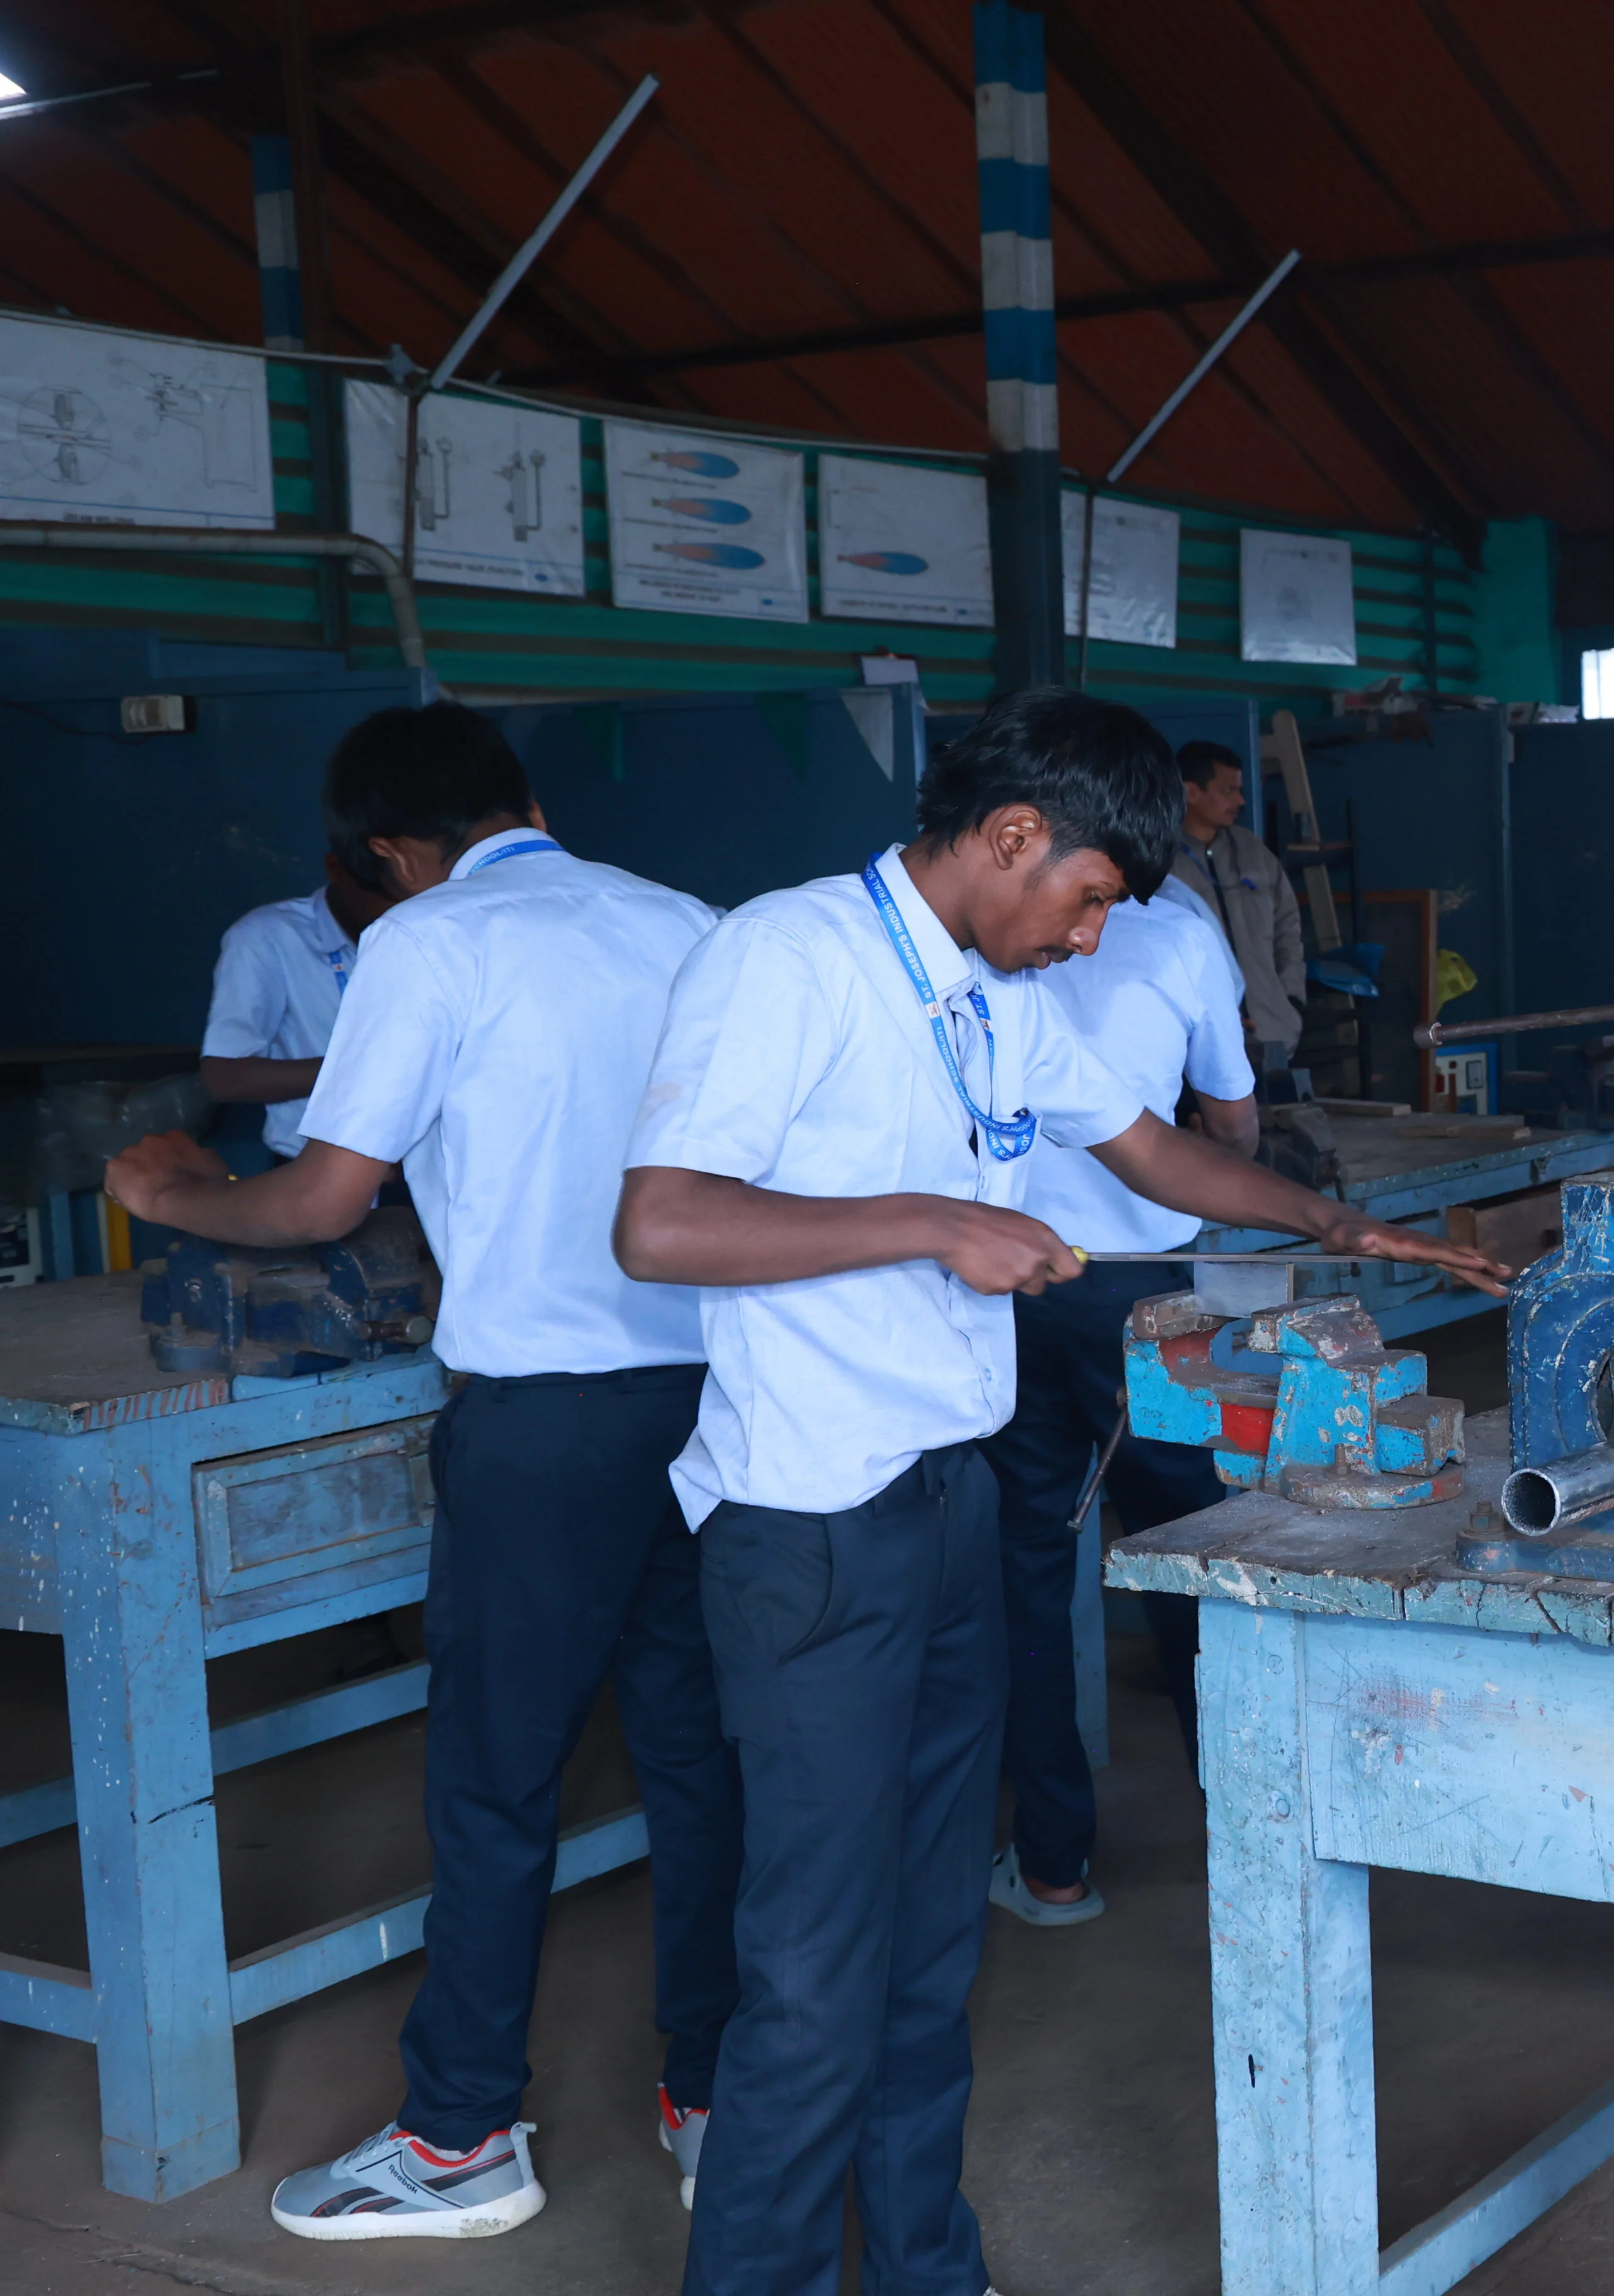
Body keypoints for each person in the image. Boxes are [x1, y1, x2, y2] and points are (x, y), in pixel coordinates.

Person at [609, 688, 1504, 2296]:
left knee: (929, 1951)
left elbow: (1151, 1154)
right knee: (813, 1969)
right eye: (1090, 897)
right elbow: (662, 1225)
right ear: (1014, 836)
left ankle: (926, 2270)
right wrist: (932, 1224)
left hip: (945, 1501)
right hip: (810, 1527)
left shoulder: (989, 993)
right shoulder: (788, 958)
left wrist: (1334, 1230)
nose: (1092, 939)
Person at [106, 702, 738, 2239]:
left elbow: (326, 1203)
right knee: (704, 1756)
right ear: (521, 795)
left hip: (543, 1423)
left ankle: (461, 2139)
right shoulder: (698, 925)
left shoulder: (428, 942)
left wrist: (178, 1193)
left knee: (496, 1779)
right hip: (723, 1398)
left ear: (389, 850)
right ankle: (723, 2101)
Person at [979, 865, 1261, 1926]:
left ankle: (1054, 1865)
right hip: (1148, 1299)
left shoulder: (982, 929)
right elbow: (1230, 1126)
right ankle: (1242, 1828)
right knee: (1190, 1554)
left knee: (1028, 1571)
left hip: (1007, 1287)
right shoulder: (1183, 935)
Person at [200, 853, 403, 1162]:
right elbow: (225, 1078)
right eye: (384, 893)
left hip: (420, 1173)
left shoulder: (426, 932)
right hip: (313, 1170)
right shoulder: (267, 938)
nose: (398, 907)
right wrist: (364, 1069)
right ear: (336, 869)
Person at [1170, 737, 1306, 1076]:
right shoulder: (1159, 860)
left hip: (1273, 1029)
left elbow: (1288, 927)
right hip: (1197, 1040)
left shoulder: (1252, 850)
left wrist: (1292, 999)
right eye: (1228, 791)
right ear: (1190, 792)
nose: (1241, 801)